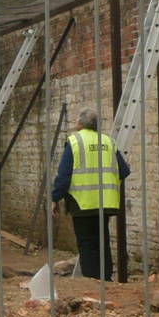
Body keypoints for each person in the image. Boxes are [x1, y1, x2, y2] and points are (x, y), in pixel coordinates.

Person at [50, 108, 131, 281]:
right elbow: (123, 171)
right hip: (106, 203)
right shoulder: (108, 141)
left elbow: (64, 176)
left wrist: (55, 198)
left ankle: (92, 281)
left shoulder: (75, 142)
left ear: (80, 124)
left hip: (83, 202)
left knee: (87, 244)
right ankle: (106, 279)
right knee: (103, 243)